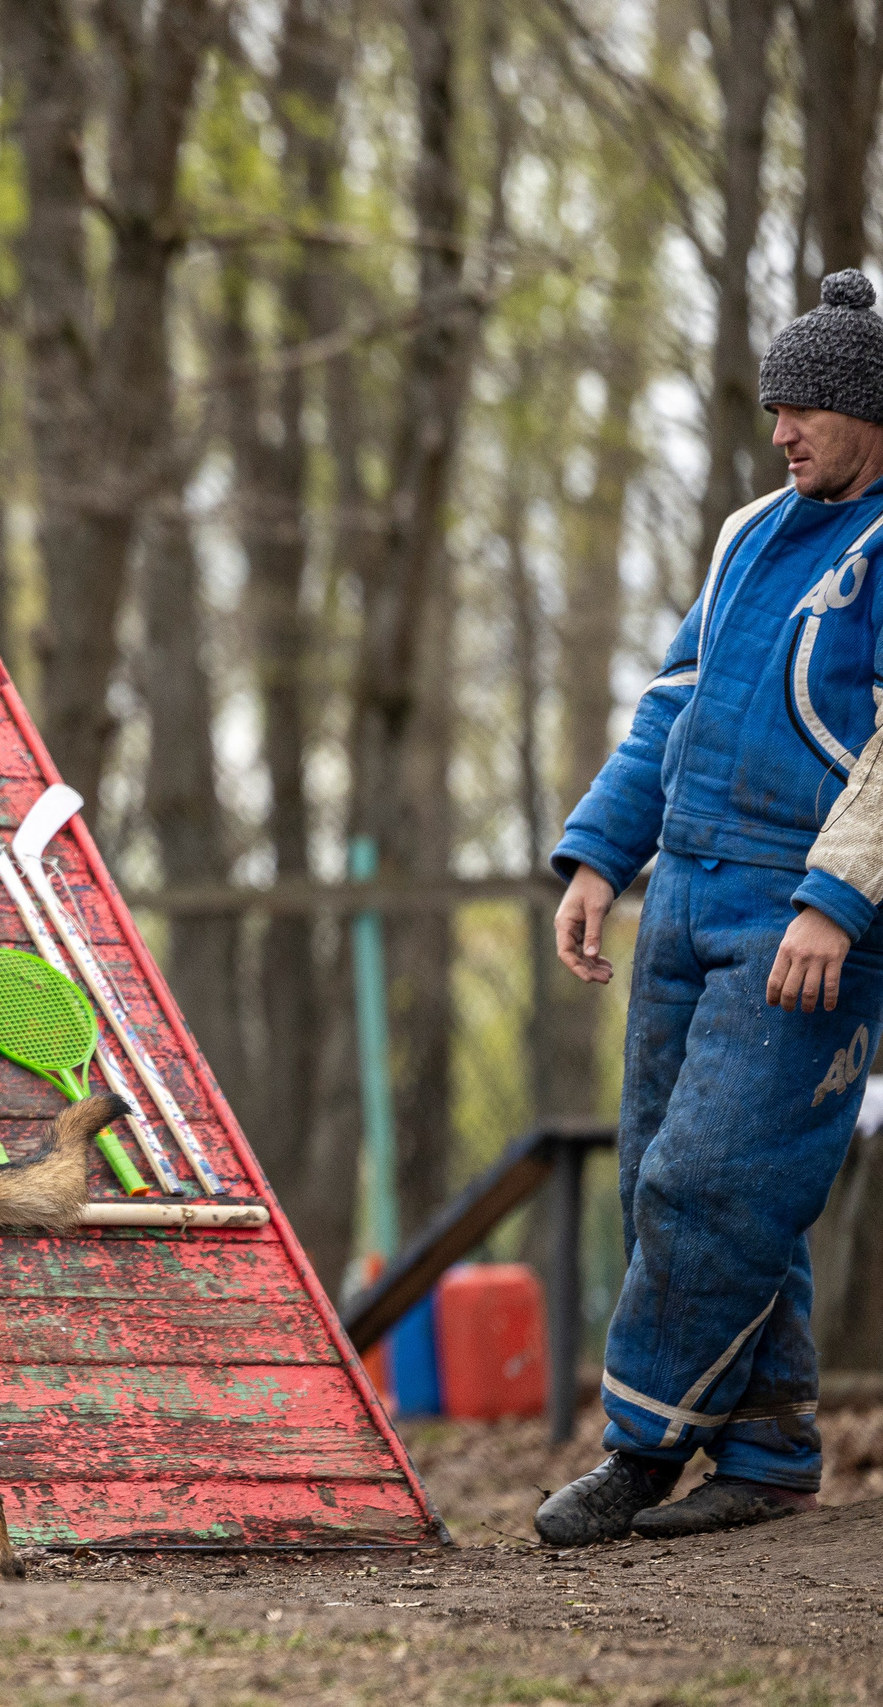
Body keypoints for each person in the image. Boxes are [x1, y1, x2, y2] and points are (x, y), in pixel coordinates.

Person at [540, 271, 883, 1545]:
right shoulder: (749, 530)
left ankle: (639, 1448)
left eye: (805, 408)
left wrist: (836, 901)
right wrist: (596, 858)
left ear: (868, 412)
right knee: (669, 1185)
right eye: (772, 406)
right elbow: (671, 706)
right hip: (681, 892)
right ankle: (770, 1444)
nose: (782, 430)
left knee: (712, 1181)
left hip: (804, 919)